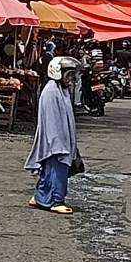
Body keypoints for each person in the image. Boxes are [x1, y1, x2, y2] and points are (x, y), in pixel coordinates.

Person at [26, 56, 82, 215]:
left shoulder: (60, 90)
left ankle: (40, 197)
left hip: (62, 140)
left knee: (50, 172)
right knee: (57, 172)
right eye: (69, 75)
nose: (71, 79)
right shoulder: (51, 91)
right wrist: (57, 144)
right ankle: (56, 200)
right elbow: (51, 121)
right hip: (56, 141)